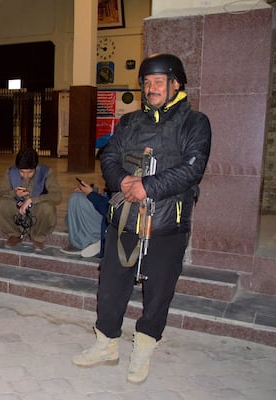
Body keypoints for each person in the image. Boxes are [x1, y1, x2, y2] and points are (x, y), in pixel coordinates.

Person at [72, 53, 211, 384]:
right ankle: (106, 344)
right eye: (147, 83)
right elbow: (109, 156)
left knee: (159, 290)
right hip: (124, 219)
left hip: (167, 222)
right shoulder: (130, 122)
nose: (151, 88)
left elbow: (192, 168)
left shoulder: (196, 123)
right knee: (110, 285)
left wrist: (147, 187)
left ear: (176, 83)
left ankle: (145, 347)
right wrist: (122, 182)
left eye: (159, 82)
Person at [0, 148, 62, 251]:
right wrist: (14, 193)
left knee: (47, 208)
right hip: (17, 208)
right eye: (21, 172)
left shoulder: (46, 172)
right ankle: (14, 234)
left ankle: (38, 237)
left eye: (29, 172)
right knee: (0, 205)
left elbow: (57, 196)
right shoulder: (11, 172)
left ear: (36, 167)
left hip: (37, 210)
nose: (25, 176)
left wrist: (33, 200)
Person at [60, 178, 109, 258]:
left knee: (78, 199)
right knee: (74, 203)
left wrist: (91, 194)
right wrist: (91, 192)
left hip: (109, 216)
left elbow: (108, 209)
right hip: (106, 202)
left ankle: (87, 241)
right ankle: (83, 240)